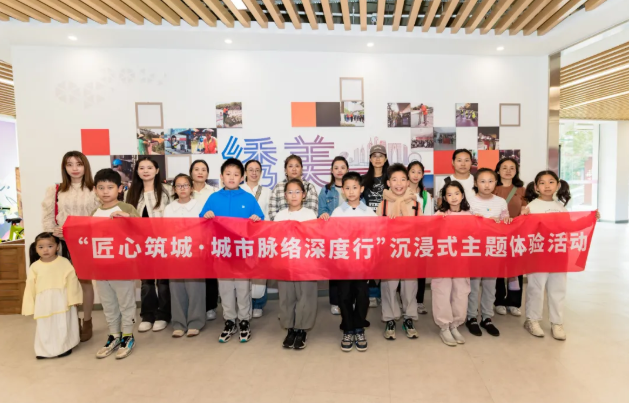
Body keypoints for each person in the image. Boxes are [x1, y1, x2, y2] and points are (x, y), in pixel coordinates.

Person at [200, 158, 264, 343]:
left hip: (242, 252)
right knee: (226, 289)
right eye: (228, 174)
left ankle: (244, 321)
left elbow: (260, 219)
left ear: (242, 178)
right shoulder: (213, 198)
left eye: (236, 174)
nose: (231, 177)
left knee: (243, 288)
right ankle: (229, 321)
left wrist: (256, 218)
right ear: (221, 176)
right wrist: (206, 215)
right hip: (222, 252)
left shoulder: (248, 198)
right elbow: (201, 220)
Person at [41, 151, 99, 342]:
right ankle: (73, 322)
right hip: (63, 243)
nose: (74, 168)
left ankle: (87, 320)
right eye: (70, 164)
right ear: (64, 167)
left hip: (86, 242)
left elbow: (100, 217)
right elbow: (48, 217)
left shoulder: (94, 189)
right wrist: (53, 232)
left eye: (79, 164)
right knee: (66, 283)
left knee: (85, 283)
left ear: (85, 166)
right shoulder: (56, 189)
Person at [92, 168, 141, 359]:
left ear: (119, 189)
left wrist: (129, 219)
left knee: (126, 302)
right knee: (108, 303)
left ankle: (128, 335)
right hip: (101, 267)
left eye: (110, 187)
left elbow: (142, 230)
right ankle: (114, 335)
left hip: (122, 266)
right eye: (101, 187)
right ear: (95, 189)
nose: (105, 191)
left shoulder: (127, 208)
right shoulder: (94, 212)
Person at [521, 171, 572, 340]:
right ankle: (532, 320)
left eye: (551, 182)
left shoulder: (561, 208)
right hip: (538, 255)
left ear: (558, 185)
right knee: (536, 288)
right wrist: (523, 217)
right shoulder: (531, 207)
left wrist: (590, 218)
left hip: (558, 254)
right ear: (536, 187)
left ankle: (557, 322)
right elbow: (524, 231)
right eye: (542, 183)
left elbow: (568, 229)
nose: (547, 186)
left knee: (558, 289)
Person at [125, 157, 172, 333]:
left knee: (163, 281)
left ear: (157, 170)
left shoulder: (167, 191)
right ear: (137, 171)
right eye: (142, 168)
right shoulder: (131, 193)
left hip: (162, 242)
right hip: (141, 244)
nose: (146, 171)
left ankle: (163, 314)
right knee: (146, 281)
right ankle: (147, 315)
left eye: (150, 167)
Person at [331, 172, 376, 352]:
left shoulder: (369, 213)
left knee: (362, 296)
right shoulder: (337, 212)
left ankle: (359, 328)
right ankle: (348, 329)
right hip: (344, 265)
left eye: (355, 187)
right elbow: (331, 236)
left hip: (363, 265)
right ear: (343, 190)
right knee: (344, 297)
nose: (351, 191)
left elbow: (376, 235)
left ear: (361, 189)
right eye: (347, 188)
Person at [376, 164, 421, 340]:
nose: (399, 183)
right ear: (388, 183)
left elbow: (422, 228)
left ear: (408, 182)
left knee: (410, 287)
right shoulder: (383, 205)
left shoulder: (415, 204)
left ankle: (409, 318)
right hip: (389, 252)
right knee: (389, 286)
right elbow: (377, 230)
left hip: (410, 251)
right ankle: (390, 318)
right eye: (394, 180)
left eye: (403, 179)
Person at [465, 168, 511, 338]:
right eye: (482, 181)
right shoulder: (469, 202)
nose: (486, 185)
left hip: (493, 249)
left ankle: (487, 317)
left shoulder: (501, 202)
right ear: (476, 183)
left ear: (496, 183)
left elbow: (506, 224)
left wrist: (505, 221)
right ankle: (471, 317)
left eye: (490, 181)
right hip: (475, 250)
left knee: (490, 286)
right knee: (473, 286)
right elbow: (464, 227)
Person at [22, 232, 82, 359]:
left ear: (57, 247)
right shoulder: (34, 267)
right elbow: (30, 287)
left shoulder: (64, 262)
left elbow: (72, 281)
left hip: (62, 299)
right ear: (36, 248)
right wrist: (29, 306)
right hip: (43, 302)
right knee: (45, 325)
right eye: (41, 247)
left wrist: (74, 298)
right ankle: (43, 350)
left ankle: (64, 347)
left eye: (50, 246)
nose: (45, 250)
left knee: (62, 323)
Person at [275, 178, 318, 350]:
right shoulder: (280, 215)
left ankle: (302, 329)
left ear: (304, 195)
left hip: (306, 264)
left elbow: (315, 238)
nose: (294, 195)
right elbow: (275, 239)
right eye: (290, 192)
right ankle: (290, 329)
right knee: (286, 297)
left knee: (305, 296)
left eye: (297, 192)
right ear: (285, 195)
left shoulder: (310, 214)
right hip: (285, 263)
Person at [165, 174, 206, 338]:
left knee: (195, 288)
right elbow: (165, 231)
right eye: (179, 186)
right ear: (174, 189)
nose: (182, 189)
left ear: (191, 187)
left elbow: (204, 230)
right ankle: (179, 323)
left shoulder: (199, 206)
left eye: (186, 185)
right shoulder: (169, 208)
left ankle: (195, 322)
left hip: (194, 252)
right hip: (175, 252)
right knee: (176, 289)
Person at [433, 181, 472, 346]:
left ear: (462, 195)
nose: (454, 197)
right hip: (443, 260)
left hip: (462, 261)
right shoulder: (439, 215)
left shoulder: (470, 215)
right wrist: (437, 222)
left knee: (461, 292)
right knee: (442, 291)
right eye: (449, 194)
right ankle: (444, 326)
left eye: (457, 193)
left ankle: (455, 324)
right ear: (445, 198)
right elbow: (429, 233)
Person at [493, 158, 528, 317]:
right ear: (498, 170)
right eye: (504, 167)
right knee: (498, 269)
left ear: (516, 171)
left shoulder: (521, 190)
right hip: (497, 234)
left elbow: (525, 209)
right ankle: (499, 301)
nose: (508, 171)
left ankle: (514, 303)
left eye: (512, 168)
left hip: (516, 234)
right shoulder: (492, 188)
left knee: (516, 269)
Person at [318, 156, 349, 316]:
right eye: (336, 168)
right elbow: (321, 209)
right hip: (333, 236)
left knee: (350, 269)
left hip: (351, 236)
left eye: (342, 167)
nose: (339, 170)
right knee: (335, 271)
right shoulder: (326, 190)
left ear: (347, 169)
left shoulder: (353, 187)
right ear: (331, 171)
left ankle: (349, 300)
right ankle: (335, 302)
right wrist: (323, 214)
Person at [189, 159, 219, 321]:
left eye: (203, 169)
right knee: (192, 274)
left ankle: (210, 306)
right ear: (191, 172)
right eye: (196, 169)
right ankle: (194, 307)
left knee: (209, 273)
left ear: (208, 174)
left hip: (209, 237)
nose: (200, 172)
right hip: (189, 239)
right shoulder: (186, 190)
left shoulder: (214, 192)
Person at [242, 159, 272, 318]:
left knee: (260, 271)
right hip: (241, 237)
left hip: (261, 235)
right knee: (243, 272)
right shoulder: (238, 189)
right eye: (250, 170)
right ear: (245, 172)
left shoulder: (267, 191)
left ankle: (259, 304)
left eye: (257, 170)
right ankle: (244, 304)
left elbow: (269, 213)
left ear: (261, 173)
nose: (254, 173)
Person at [361, 145, 389, 308]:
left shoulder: (391, 179)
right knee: (370, 261)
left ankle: (385, 294)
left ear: (385, 159)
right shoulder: (363, 180)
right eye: (374, 156)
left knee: (386, 261)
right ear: (370, 159)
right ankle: (372, 293)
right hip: (369, 227)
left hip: (387, 226)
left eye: (381, 156)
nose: (378, 159)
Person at [408, 161, 433, 315]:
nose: (416, 175)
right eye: (413, 171)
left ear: (423, 175)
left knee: (420, 271)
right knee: (405, 271)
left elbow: (428, 218)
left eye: (419, 172)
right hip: (404, 237)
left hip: (420, 237)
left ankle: (419, 301)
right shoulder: (400, 192)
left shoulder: (425, 195)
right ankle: (405, 301)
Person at [268, 155, 318, 221]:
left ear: (301, 169)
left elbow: (313, 212)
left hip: (304, 225)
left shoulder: (309, 187)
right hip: (282, 224)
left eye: (297, 166)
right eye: (290, 166)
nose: (294, 169)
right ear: (285, 170)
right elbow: (272, 212)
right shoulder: (278, 187)